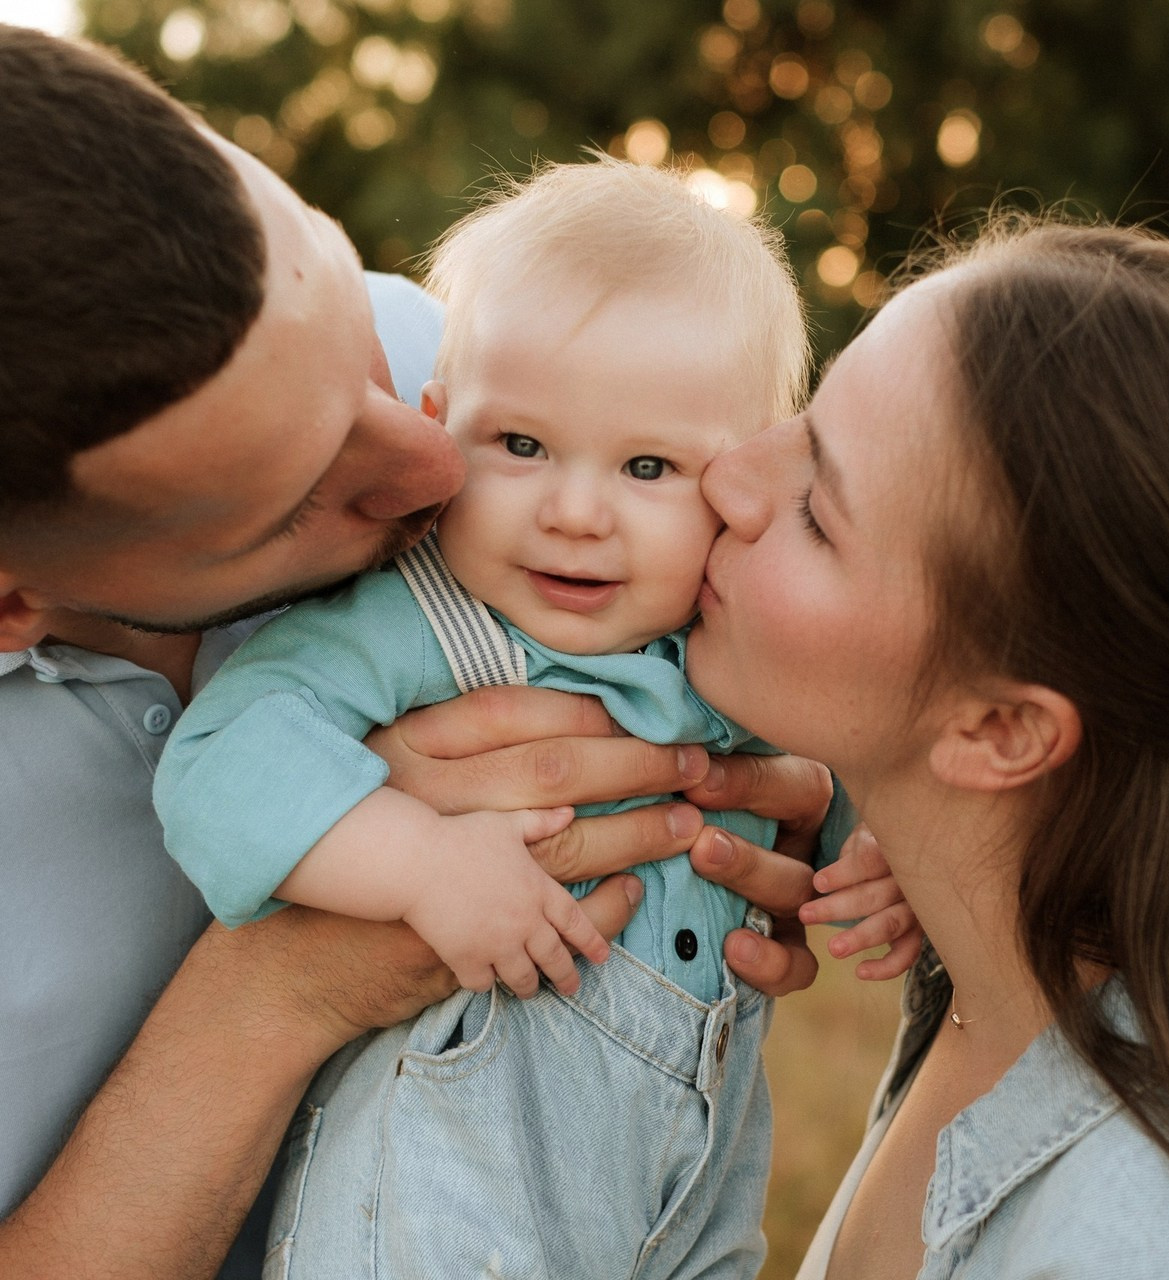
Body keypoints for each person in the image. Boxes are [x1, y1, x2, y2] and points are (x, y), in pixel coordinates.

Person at [0, 26, 829, 1280]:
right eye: (292, 491)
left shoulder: (487, 352)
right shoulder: (403, 622)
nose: (432, 469)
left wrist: (825, 817)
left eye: (377, 353)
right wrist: (302, 965)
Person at [152, 158, 915, 1278]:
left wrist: (873, 851)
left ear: (740, 473)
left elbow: (839, 768)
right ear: (437, 421)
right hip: (444, 1195)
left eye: (647, 465)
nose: (572, 512)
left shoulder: (735, 646)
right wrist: (414, 861)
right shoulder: (422, 623)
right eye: (519, 445)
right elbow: (216, 761)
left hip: (692, 1184)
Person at [683, 218, 1169, 1276]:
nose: (727, 477)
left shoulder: (1137, 1245)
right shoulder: (989, 983)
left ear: (999, 731)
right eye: (801, 415)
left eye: (816, 512)